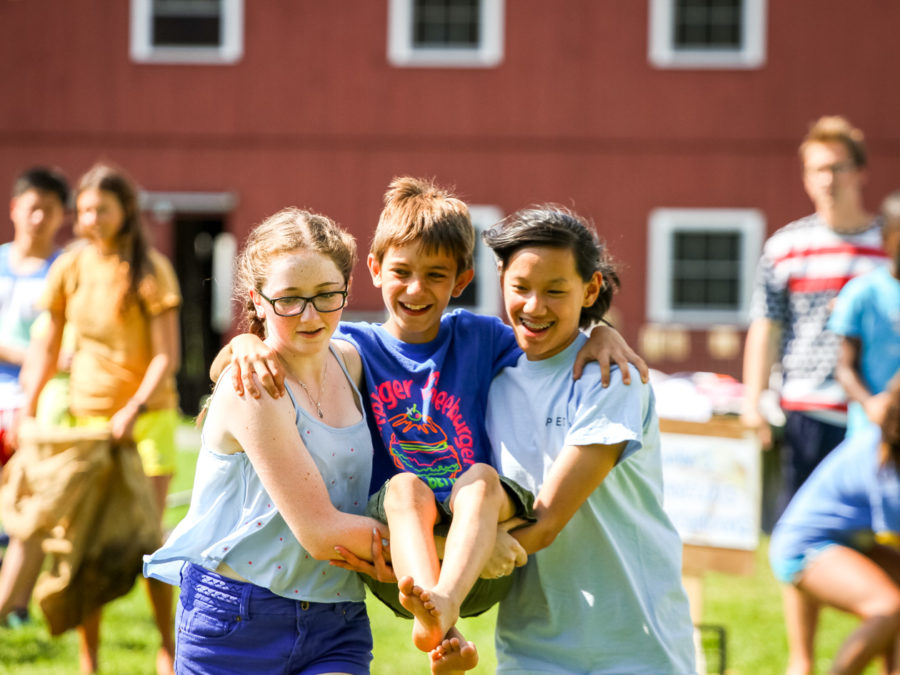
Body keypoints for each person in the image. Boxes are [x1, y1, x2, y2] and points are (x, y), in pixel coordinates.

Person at [217, 177, 648, 667]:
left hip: (484, 553)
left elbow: (549, 334)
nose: (417, 289)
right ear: (376, 270)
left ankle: (445, 610)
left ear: (462, 282)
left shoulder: (479, 336)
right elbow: (265, 360)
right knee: (403, 488)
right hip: (398, 564)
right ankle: (442, 626)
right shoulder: (356, 347)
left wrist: (600, 331)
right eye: (402, 271)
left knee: (483, 481)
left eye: (437, 275)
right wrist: (244, 344)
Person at [145, 206, 386, 674]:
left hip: (337, 618)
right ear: (257, 301)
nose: (310, 315)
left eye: (326, 295)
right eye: (289, 299)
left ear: (346, 290)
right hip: (236, 623)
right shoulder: (251, 385)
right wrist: (449, 551)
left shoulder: (353, 362)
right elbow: (321, 534)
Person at [459, 205, 694, 673]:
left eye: (555, 291)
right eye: (520, 288)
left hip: (634, 642)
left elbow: (545, 524)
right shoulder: (487, 378)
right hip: (530, 646)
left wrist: (459, 562)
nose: (534, 306)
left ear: (590, 289)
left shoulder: (611, 378)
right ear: (501, 280)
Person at [16, 163, 180, 674]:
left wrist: (133, 409)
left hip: (144, 422)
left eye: (101, 209)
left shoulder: (150, 270)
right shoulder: (70, 266)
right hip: (86, 426)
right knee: (85, 546)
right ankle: (89, 659)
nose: (90, 219)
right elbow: (47, 345)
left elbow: (167, 357)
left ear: (125, 211)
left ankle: (170, 647)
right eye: (84, 210)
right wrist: (29, 405)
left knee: (148, 544)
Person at [741, 116, 890, 675]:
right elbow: (766, 326)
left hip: (875, 417)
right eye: (815, 170)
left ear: (860, 172)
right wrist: (755, 400)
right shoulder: (788, 246)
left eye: (836, 168)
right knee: (802, 537)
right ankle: (801, 661)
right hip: (804, 409)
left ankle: (881, 636)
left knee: (880, 536)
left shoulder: (887, 246)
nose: (826, 180)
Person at [769, 379, 900, 675]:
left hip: (847, 541)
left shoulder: (884, 440)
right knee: (888, 607)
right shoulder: (887, 464)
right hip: (806, 546)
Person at [0, 166, 69, 628]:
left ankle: (17, 605)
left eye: (49, 208)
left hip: (37, 404)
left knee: (31, 506)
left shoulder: (64, 272)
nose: (39, 217)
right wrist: (35, 356)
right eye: (32, 207)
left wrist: (34, 365)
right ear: (14, 209)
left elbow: (68, 351)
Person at [829, 191, 900, 439]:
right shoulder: (862, 293)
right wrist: (872, 404)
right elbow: (844, 368)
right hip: (870, 433)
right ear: (885, 238)